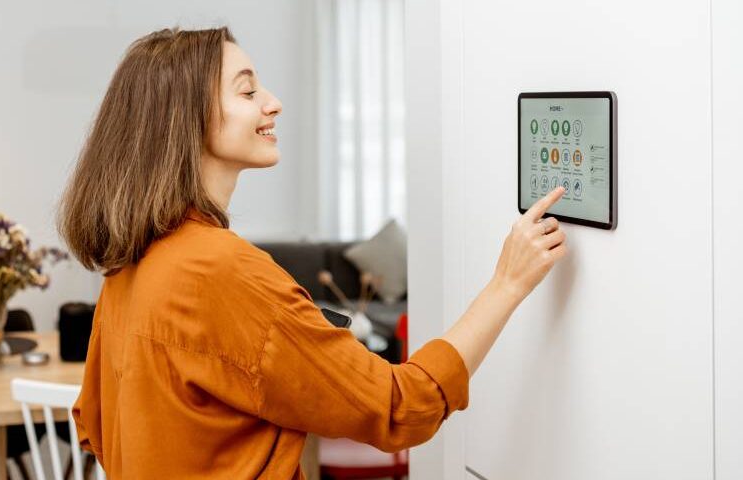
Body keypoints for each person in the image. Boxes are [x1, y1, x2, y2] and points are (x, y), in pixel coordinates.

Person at [56, 26, 568, 479]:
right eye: (248, 90)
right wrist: (507, 283)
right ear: (185, 119)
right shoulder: (220, 270)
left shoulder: (130, 264)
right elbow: (399, 405)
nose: (273, 103)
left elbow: (96, 426)